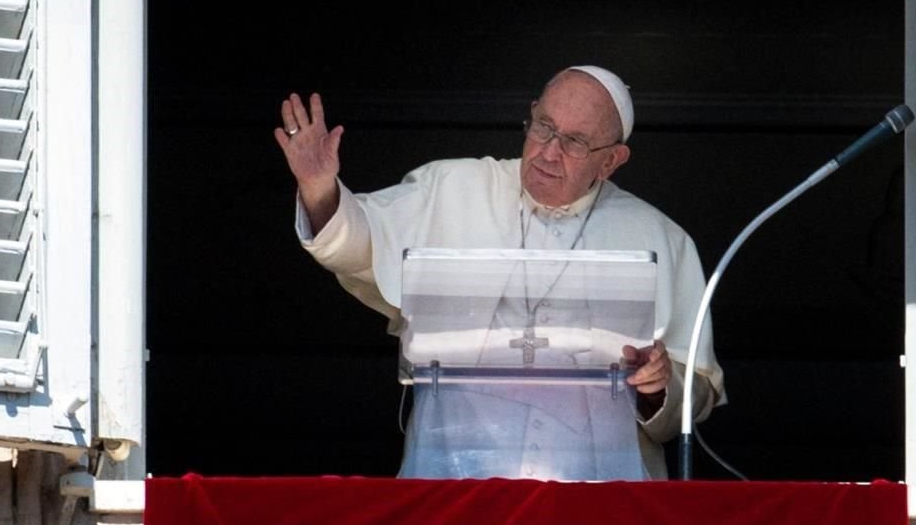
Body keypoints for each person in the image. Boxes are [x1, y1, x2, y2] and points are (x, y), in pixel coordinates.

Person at [275, 66, 725, 480]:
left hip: (599, 492)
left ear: (611, 161)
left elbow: (695, 395)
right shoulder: (452, 188)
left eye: (575, 142)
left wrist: (657, 385)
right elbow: (361, 242)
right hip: (454, 478)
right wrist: (319, 189)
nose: (549, 152)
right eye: (544, 127)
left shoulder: (660, 238)